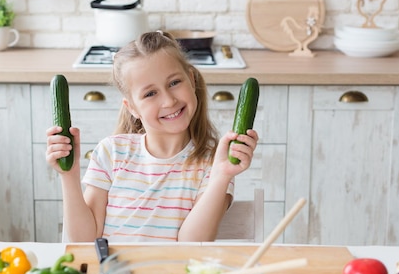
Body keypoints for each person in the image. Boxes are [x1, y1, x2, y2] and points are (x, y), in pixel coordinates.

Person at [46, 31, 259, 242]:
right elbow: (82, 241)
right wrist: (69, 175)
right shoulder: (111, 153)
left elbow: (192, 243)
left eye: (174, 82)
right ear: (132, 108)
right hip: (113, 273)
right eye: (150, 94)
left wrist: (221, 175)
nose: (168, 101)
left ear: (191, 80)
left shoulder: (214, 163)